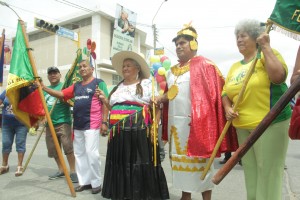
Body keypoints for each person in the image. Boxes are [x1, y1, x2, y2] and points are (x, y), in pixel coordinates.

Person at [155, 25, 238, 200]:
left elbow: (218, 94)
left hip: (198, 125)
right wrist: (160, 99)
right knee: (180, 165)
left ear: (194, 44)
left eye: (183, 43)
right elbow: (169, 95)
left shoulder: (206, 66)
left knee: (201, 165)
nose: (178, 46)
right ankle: (186, 196)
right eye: (177, 44)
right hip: (175, 128)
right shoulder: (172, 72)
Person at [222, 19, 291, 200]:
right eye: (237, 36)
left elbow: (279, 77)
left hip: (269, 123)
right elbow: (225, 93)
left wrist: (266, 47)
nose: (239, 39)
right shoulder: (235, 67)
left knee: (268, 173)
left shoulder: (267, 55)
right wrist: (228, 107)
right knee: (251, 173)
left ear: (255, 37)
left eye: (243, 35)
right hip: (243, 127)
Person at [99, 51, 169, 200]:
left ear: (137, 68)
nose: (124, 68)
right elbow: (113, 108)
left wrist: (155, 127)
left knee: (137, 163)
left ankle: (140, 195)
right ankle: (122, 194)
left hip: (138, 130)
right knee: (121, 163)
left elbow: (156, 106)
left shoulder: (146, 84)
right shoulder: (117, 87)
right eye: (123, 66)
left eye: (128, 65)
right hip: (117, 132)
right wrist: (105, 101)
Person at [41, 60, 109, 194]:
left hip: (92, 124)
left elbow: (105, 102)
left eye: (85, 66)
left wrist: (104, 122)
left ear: (92, 68)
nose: (82, 69)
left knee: (91, 153)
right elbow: (62, 94)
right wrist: (44, 88)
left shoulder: (98, 82)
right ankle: (84, 182)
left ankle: (96, 182)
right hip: (78, 125)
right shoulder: (76, 85)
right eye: (80, 67)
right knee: (79, 154)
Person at [43, 66, 78, 183]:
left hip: (63, 122)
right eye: (50, 73)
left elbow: (72, 102)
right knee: (53, 149)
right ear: (48, 76)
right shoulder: (44, 89)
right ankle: (61, 169)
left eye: (55, 73)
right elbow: (42, 106)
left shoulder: (65, 86)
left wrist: (64, 99)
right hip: (49, 124)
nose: (53, 75)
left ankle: (73, 171)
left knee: (68, 147)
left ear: (59, 75)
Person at [0, 90, 28, 176]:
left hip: (21, 124)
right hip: (7, 124)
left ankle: (19, 166)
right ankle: (5, 165)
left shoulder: (25, 92)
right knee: (6, 143)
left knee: (20, 143)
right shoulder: (6, 91)